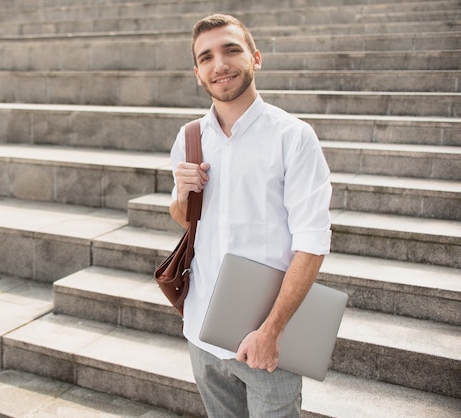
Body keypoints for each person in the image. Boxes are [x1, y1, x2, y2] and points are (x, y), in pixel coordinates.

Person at [168, 14, 332, 417]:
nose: (219, 64)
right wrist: (183, 195)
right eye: (206, 57)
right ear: (197, 72)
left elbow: (311, 244)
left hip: (263, 338)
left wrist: (271, 332)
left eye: (231, 50)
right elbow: (184, 220)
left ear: (255, 58)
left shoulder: (292, 137)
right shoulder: (190, 137)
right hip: (202, 332)